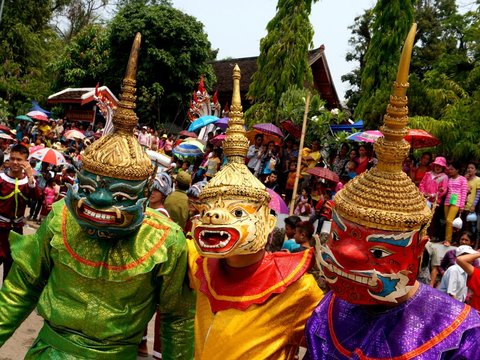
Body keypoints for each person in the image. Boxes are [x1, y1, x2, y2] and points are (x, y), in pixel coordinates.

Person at [0, 34, 194, 359]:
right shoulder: (62, 217)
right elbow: (20, 289)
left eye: (119, 194)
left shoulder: (165, 241)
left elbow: (177, 320)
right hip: (50, 351)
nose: (101, 201)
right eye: (89, 189)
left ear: (146, 193)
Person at [305, 25, 480, 359]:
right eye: (339, 237)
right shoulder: (328, 309)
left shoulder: (464, 334)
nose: (346, 255)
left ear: (418, 249)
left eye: (380, 253)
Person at [189, 65, 323, 359]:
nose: (212, 216)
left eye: (237, 213)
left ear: (267, 221)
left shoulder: (298, 288)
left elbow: (328, 342)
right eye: (208, 209)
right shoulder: (200, 267)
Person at [138, 171, 174, 359]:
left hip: (151, 263)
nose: (153, 192)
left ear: (164, 193)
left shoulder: (162, 214)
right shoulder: (146, 207)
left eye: (158, 190)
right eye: (152, 188)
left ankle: (142, 343)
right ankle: (140, 342)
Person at [0, 144, 42, 280]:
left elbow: (38, 197)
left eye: (19, 159)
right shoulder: (1, 179)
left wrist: (30, 176)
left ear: (26, 161)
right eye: (12, 159)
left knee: (11, 269)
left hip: (16, 232)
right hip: (0, 229)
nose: (15, 162)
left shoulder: (28, 181)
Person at [418, 156, 448, 240]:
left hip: (435, 202)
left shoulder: (444, 177)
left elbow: (443, 190)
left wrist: (433, 195)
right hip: (424, 199)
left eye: (440, 166)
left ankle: (429, 235)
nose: (437, 167)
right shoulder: (428, 174)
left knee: (432, 219)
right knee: (422, 217)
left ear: (443, 167)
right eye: (436, 165)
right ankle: (420, 233)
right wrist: (423, 193)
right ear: (433, 166)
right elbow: (422, 184)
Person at [444, 161, 468, 245]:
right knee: (448, 222)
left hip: (456, 202)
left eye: (452, 169)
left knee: (449, 220)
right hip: (447, 201)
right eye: (449, 169)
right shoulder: (449, 179)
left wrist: (462, 206)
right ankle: (449, 239)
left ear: (457, 170)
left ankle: (448, 240)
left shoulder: (462, 179)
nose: (450, 171)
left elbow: (464, 192)